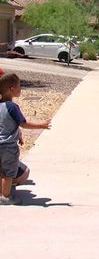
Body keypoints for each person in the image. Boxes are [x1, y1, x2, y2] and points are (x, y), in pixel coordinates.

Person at [0, 73, 50, 205]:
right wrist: (41, 125)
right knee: (8, 172)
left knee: (1, 171)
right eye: (19, 86)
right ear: (12, 89)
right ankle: (6, 197)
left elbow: (6, 124)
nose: (21, 88)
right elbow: (23, 123)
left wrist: (19, 135)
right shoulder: (12, 107)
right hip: (7, 147)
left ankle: (1, 192)